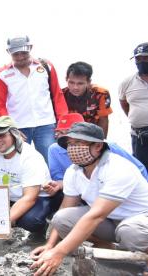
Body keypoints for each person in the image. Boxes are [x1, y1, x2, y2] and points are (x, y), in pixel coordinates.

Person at [31, 122, 148, 275]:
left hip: (139, 218)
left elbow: (96, 216)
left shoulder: (118, 168)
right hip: (109, 221)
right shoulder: (73, 171)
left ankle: (141, 262)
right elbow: (65, 209)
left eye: (79, 143)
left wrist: (59, 253)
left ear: (98, 146)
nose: (72, 148)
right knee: (61, 219)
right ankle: (111, 249)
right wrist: (50, 245)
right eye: (70, 143)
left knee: (130, 232)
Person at [0, 36, 68, 163]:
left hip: (46, 124)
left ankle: (53, 183)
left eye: (24, 52)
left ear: (30, 48)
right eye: (16, 54)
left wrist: (63, 123)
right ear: (9, 52)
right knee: (19, 162)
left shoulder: (46, 67)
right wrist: (10, 128)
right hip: (18, 127)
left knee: (51, 161)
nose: (21, 56)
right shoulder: (2, 74)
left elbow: (57, 95)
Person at [0, 116, 52, 238]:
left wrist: (3, 222)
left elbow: (29, 197)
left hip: (37, 197)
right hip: (9, 197)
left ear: (14, 135)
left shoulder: (30, 157)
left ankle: (44, 225)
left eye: (2, 135)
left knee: (30, 221)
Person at [46, 113, 148, 199]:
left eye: (67, 132)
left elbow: (139, 168)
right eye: (59, 132)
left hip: (115, 191)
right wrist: (57, 185)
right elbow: (59, 178)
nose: (63, 136)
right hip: (80, 192)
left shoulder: (109, 147)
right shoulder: (54, 150)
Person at [62, 62, 112, 138]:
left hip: (92, 135)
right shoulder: (61, 95)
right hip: (68, 136)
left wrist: (101, 142)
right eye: (71, 82)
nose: (75, 87)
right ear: (66, 79)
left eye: (80, 83)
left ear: (89, 82)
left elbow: (104, 119)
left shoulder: (101, 94)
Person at [119, 42, 148, 171]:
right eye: (138, 59)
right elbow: (124, 104)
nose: (142, 61)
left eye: (146, 58)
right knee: (142, 169)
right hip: (140, 135)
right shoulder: (127, 82)